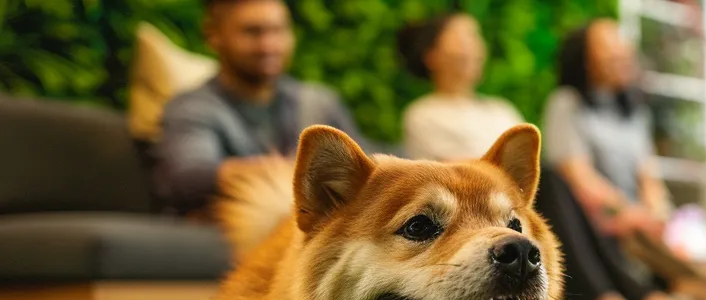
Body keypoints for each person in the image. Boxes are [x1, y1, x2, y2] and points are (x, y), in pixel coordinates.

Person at [538, 20, 706, 300]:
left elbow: (648, 177)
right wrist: (627, 212)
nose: (621, 53)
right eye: (608, 48)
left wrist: (656, 213)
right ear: (585, 59)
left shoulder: (634, 110)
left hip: (635, 226)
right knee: (558, 186)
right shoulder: (566, 104)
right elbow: (577, 177)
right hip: (597, 217)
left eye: (621, 45)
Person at [157, 0, 367, 216]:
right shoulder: (192, 108)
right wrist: (300, 174)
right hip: (223, 237)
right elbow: (189, 176)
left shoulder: (318, 102)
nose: (267, 45)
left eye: (277, 30)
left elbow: (367, 168)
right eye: (252, 32)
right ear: (214, 35)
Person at [398, 12, 526, 161]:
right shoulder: (423, 115)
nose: (476, 48)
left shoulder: (501, 110)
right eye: (463, 38)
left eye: (477, 37)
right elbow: (458, 173)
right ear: (432, 56)